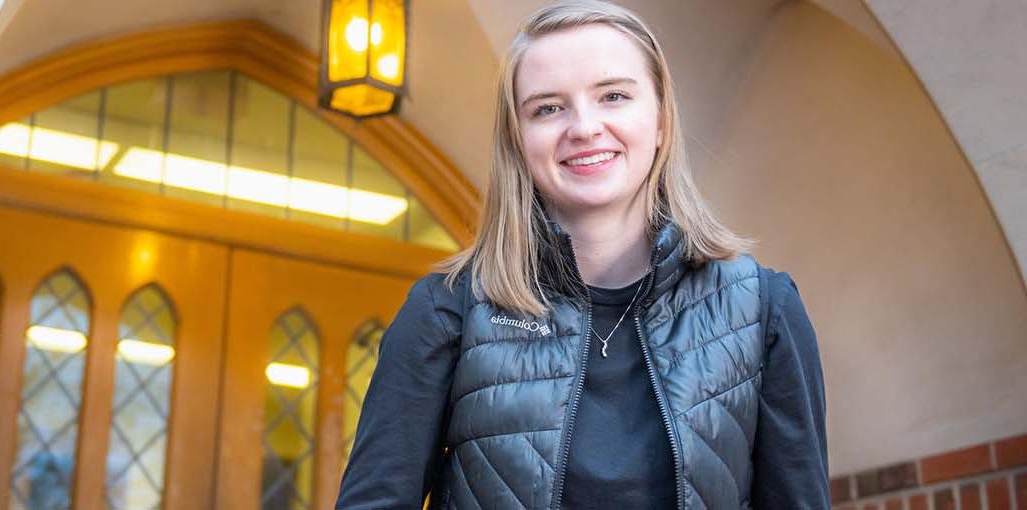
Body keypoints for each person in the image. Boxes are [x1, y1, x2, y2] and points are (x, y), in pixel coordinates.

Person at [333, 1, 828, 508]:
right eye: (548, 108)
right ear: (518, 139)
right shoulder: (447, 311)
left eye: (613, 96)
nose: (585, 127)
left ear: (660, 120)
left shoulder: (762, 309)